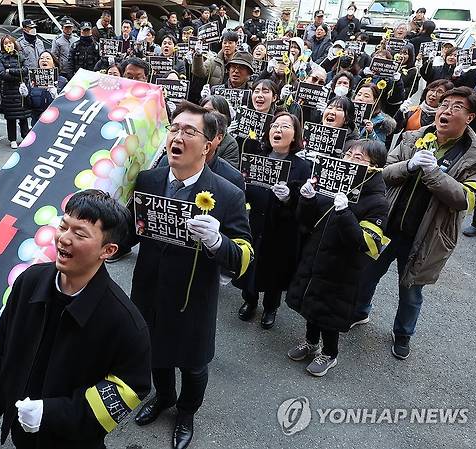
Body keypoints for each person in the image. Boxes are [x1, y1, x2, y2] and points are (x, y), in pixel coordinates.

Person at [0, 189, 152, 449]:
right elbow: (5, 342)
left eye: (80, 233)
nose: (64, 239)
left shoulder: (125, 323)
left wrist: (51, 414)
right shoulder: (29, 282)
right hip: (21, 430)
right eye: (64, 226)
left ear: (107, 250)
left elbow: (127, 390)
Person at [131, 101, 252, 449]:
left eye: (189, 131)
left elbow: (244, 255)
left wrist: (218, 241)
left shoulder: (228, 191)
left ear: (209, 143)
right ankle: (164, 397)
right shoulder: (148, 179)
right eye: (174, 128)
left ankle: (186, 412)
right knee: (156, 353)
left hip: (193, 297)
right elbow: (130, 230)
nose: (178, 136)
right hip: (150, 288)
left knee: (193, 363)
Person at [356, 86, 476, 360]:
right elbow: (385, 172)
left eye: (456, 107)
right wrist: (409, 166)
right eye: (444, 104)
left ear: (470, 118)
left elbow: (465, 198)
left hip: (427, 235)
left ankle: (402, 334)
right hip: (388, 224)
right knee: (367, 272)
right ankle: (358, 311)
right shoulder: (412, 137)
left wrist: (433, 173)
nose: (446, 110)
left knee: (411, 290)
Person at [286, 139, 389, 377]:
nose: (348, 161)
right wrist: (308, 199)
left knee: (329, 313)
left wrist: (344, 212)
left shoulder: (377, 202)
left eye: (358, 158)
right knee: (311, 304)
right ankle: (310, 342)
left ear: (375, 166)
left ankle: (330, 353)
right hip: (316, 258)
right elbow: (306, 222)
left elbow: (365, 242)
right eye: (347, 155)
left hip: (343, 269)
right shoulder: (331, 185)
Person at [235, 112, 312, 329]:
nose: (277, 130)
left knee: (275, 269)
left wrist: (288, 198)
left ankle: (270, 307)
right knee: (251, 263)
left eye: (285, 126)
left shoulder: (301, 167)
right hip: (254, 222)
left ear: (295, 135)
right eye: (274, 125)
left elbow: (304, 205)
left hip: (282, 228)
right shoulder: (256, 156)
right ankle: (249, 301)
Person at [158, 111, 244, 192]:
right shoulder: (165, 162)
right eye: (174, 130)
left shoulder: (232, 178)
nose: (178, 138)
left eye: (189, 132)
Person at [0, 35, 30, 150]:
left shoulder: (20, 56)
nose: (8, 45)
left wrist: (10, 70)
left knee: (23, 116)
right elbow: (2, 74)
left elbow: (26, 71)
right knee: (11, 118)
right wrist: (18, 75)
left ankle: (25, 136)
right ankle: (12, 139)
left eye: (9, 43)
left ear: (14, 43)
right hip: (9, 92)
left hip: (20, 91)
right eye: (5, 44)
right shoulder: (0, 57)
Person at [199, 95, 239, 168]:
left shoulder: (230, 143)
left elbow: (229, 173)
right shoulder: (193, 134)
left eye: (212, 112)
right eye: (204, 111)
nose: (207, 115)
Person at [28, 51, 68, 125]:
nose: (44, 60)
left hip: (57, 122)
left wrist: (56, 96)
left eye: (48, 58)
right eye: (41, 58)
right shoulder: (33, 81)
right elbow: (27, 106)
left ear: (54, 63)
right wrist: (24, 96)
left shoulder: (62, 81)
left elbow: (67, 106)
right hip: (37, 122)